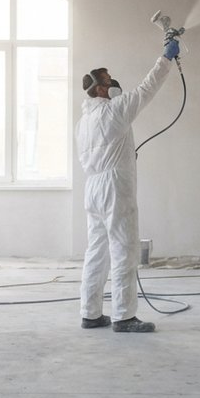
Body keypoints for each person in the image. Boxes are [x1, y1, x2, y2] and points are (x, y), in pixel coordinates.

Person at [76, 38, 180, 333]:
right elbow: (147, 88)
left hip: (93, 188)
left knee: (97, 250)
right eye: (108, 80)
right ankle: (124, 316)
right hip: (114, 187)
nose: (114, 83)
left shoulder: (82, 123)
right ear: (98, 89)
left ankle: (91, 314)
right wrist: (165, 58)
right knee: (123, 249)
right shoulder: (116, 110)